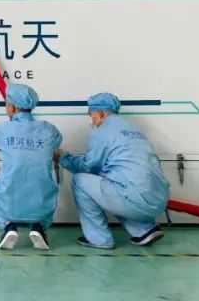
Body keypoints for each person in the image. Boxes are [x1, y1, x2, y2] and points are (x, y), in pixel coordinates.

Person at [57, 92, 169, 249]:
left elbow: (89, 166)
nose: (92, 121)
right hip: (158, 199)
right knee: (112, 184)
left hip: (133, 198)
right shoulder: (133, 128)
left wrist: (63, 157)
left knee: (81, 181)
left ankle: (99, 239)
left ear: (101, 113)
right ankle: (144, 230)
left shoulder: (102, 130)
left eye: (92, 116)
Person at [0, 83, 63, 250]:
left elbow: (1, 147)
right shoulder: (49, 129)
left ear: (12, 107)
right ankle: (38, 227)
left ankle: (8, 226)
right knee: (44, 192)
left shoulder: (1, 130)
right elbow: (56, 145)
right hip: (41, 194)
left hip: (9, 192)